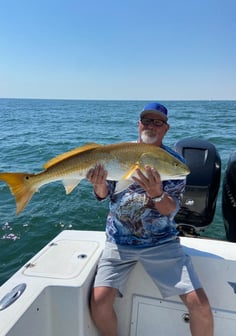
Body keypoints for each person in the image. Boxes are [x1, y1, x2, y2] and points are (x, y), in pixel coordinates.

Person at [86, 102, 213, 336]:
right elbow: (104, 195)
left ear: (166, 128)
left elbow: (170, 210)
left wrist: (157, 194)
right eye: (146, 121)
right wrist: (99, 184)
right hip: (119, 241)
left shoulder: (173, 165)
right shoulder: (118, 154)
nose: (151, 126)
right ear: (138, 125)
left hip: (161, 243)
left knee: (201, 306)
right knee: (99, 303)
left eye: (158, 122)